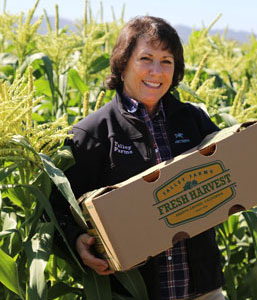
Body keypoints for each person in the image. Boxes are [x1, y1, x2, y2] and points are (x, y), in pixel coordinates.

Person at [51, 16, 225, 300]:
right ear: (123, 64)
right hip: (134, 292)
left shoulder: (193, 121)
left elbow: (236, 172)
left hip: (202, 290)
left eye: (166, 61)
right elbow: (57, 207)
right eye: (146, 58)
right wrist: (75, 240)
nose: (156, 71)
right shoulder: (93, 132)